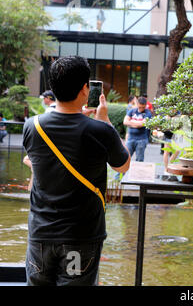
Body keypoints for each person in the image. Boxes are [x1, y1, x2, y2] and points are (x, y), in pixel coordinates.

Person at [22, 55, 131, 286]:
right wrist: (105, 121)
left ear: (52, 88)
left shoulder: (32, 126)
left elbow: (59, 137)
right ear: (85, 89)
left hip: (40, 234)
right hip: (81, 236)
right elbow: (123, 165)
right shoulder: (101, 131)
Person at [123, 96, 152, 162]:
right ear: (137, 104)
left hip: (142, 140)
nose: (141, 109)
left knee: (139, 160)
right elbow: (125, 122)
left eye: (143, 107)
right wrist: (137, 123)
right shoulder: (132, 111)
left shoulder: (148, 113)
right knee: (125, 158)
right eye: (140, 107)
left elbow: (141, 124)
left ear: (145, 105)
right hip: (130, 138)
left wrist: (131, 122)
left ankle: (138, 173)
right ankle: (121, 172)